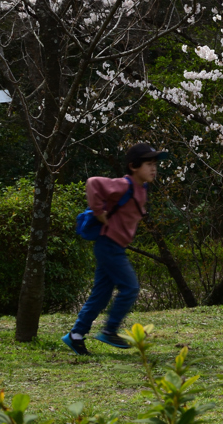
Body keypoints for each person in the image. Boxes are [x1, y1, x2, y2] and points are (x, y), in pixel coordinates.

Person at [62, 143, 165, 356]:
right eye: (148, 164)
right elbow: (92, 183)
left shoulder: (142, 188)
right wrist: (99, 212)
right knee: (130, 287)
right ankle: (110, 330)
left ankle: (76, 335)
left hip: (113, 246)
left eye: (155, 164)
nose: (153, 169)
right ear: (134, 166)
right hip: (109, 245)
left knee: (100, 295)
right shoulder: (123, 185)